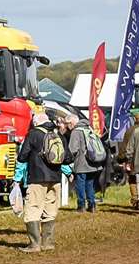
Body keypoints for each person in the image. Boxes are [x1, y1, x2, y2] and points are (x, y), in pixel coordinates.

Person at [17, 106, 74, 252]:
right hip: (55, 179)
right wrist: (68, 173)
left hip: (37, 179)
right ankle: (47, 243)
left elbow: (22, 156)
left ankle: (34, 244)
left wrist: (16, 179)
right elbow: (67, 158)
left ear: (36, 123)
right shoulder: (58, 134)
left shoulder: (33, 134)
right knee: (50, 210)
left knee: (33, 209)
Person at [68, 112, 104, 213]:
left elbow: (72, 149)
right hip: (93, 163)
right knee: (90, 184)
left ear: (72, 122)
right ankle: (92, 205)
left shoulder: (76, 132)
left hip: (81, 164)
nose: (68, 127)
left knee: (80, 184)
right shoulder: (89, 129)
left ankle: (81, 206)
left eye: (68, 124)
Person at [118, 110, 139, 209]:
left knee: (133, 179)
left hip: (131, 159)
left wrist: (120, 159)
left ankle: (135, 198)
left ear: (135, 119)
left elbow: (124, 146)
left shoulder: (130, 130)